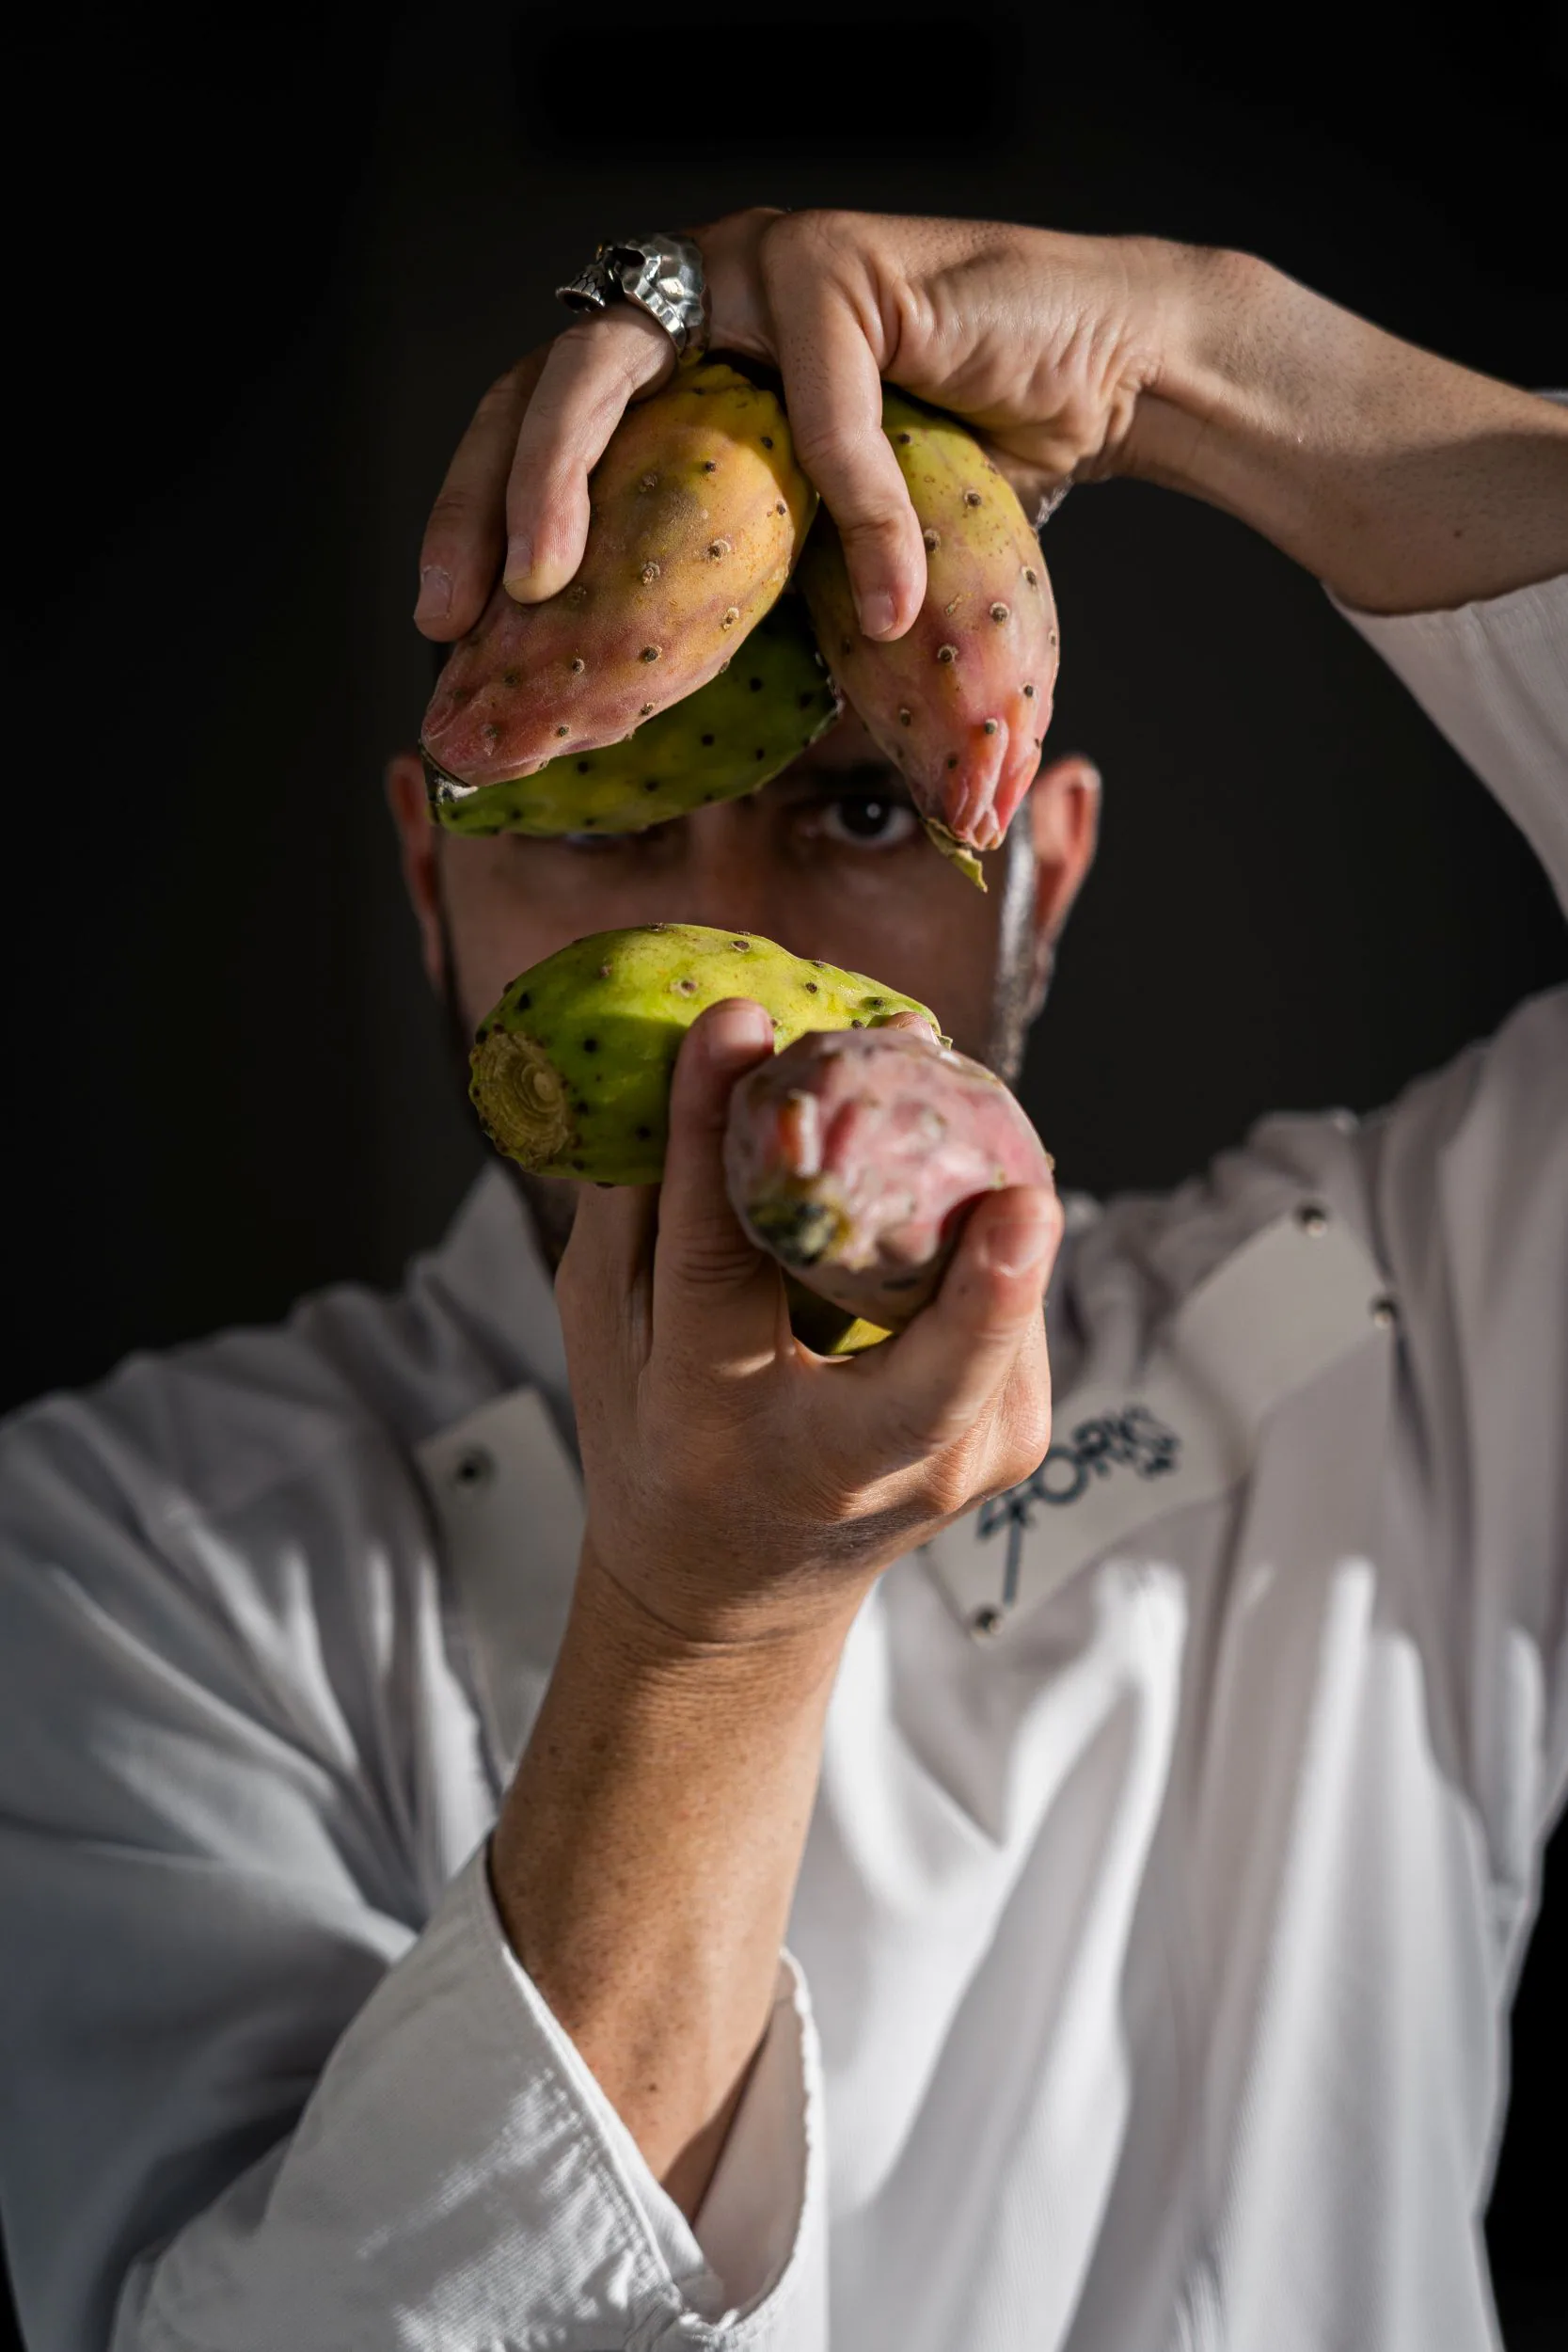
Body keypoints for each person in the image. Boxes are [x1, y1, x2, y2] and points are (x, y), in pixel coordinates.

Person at [1, 210, 1563, 2352]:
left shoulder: (1396, 1324)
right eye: (600, 804)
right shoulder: (117, 1558)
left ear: (1039, 880)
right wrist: (699, 1638)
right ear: (428, 873)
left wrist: (1210, 351)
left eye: (860, 812)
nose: (731, 952)